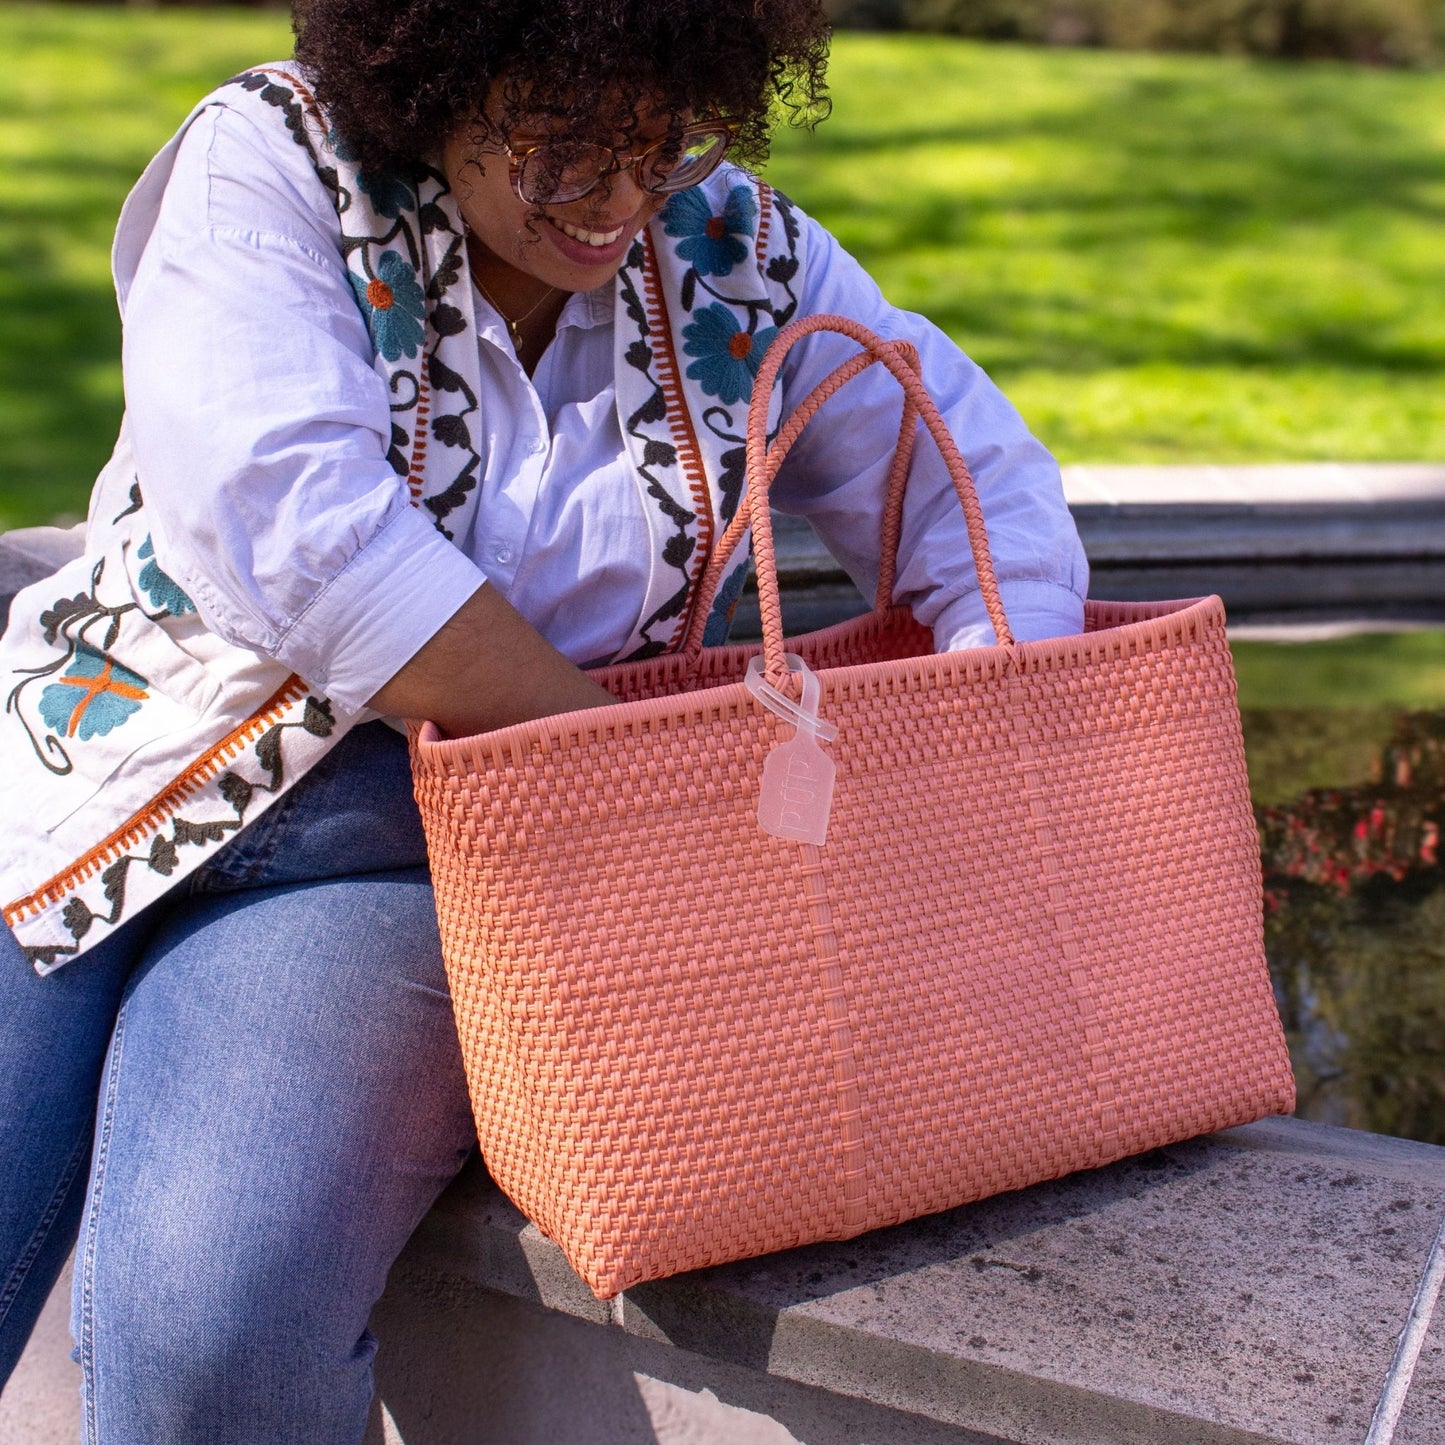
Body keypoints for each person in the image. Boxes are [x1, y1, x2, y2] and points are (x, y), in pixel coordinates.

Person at [0, 0, 1087, 1438]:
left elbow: (968, 482)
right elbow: (303, 540)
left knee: (214, 1335)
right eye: (565, 146)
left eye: (664, 144)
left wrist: (982, 734)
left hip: (425, 856)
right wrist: (635, 770)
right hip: (81, 773)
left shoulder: (729, 248)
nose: (624, 203)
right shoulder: (268, 164)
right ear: (433, 74)